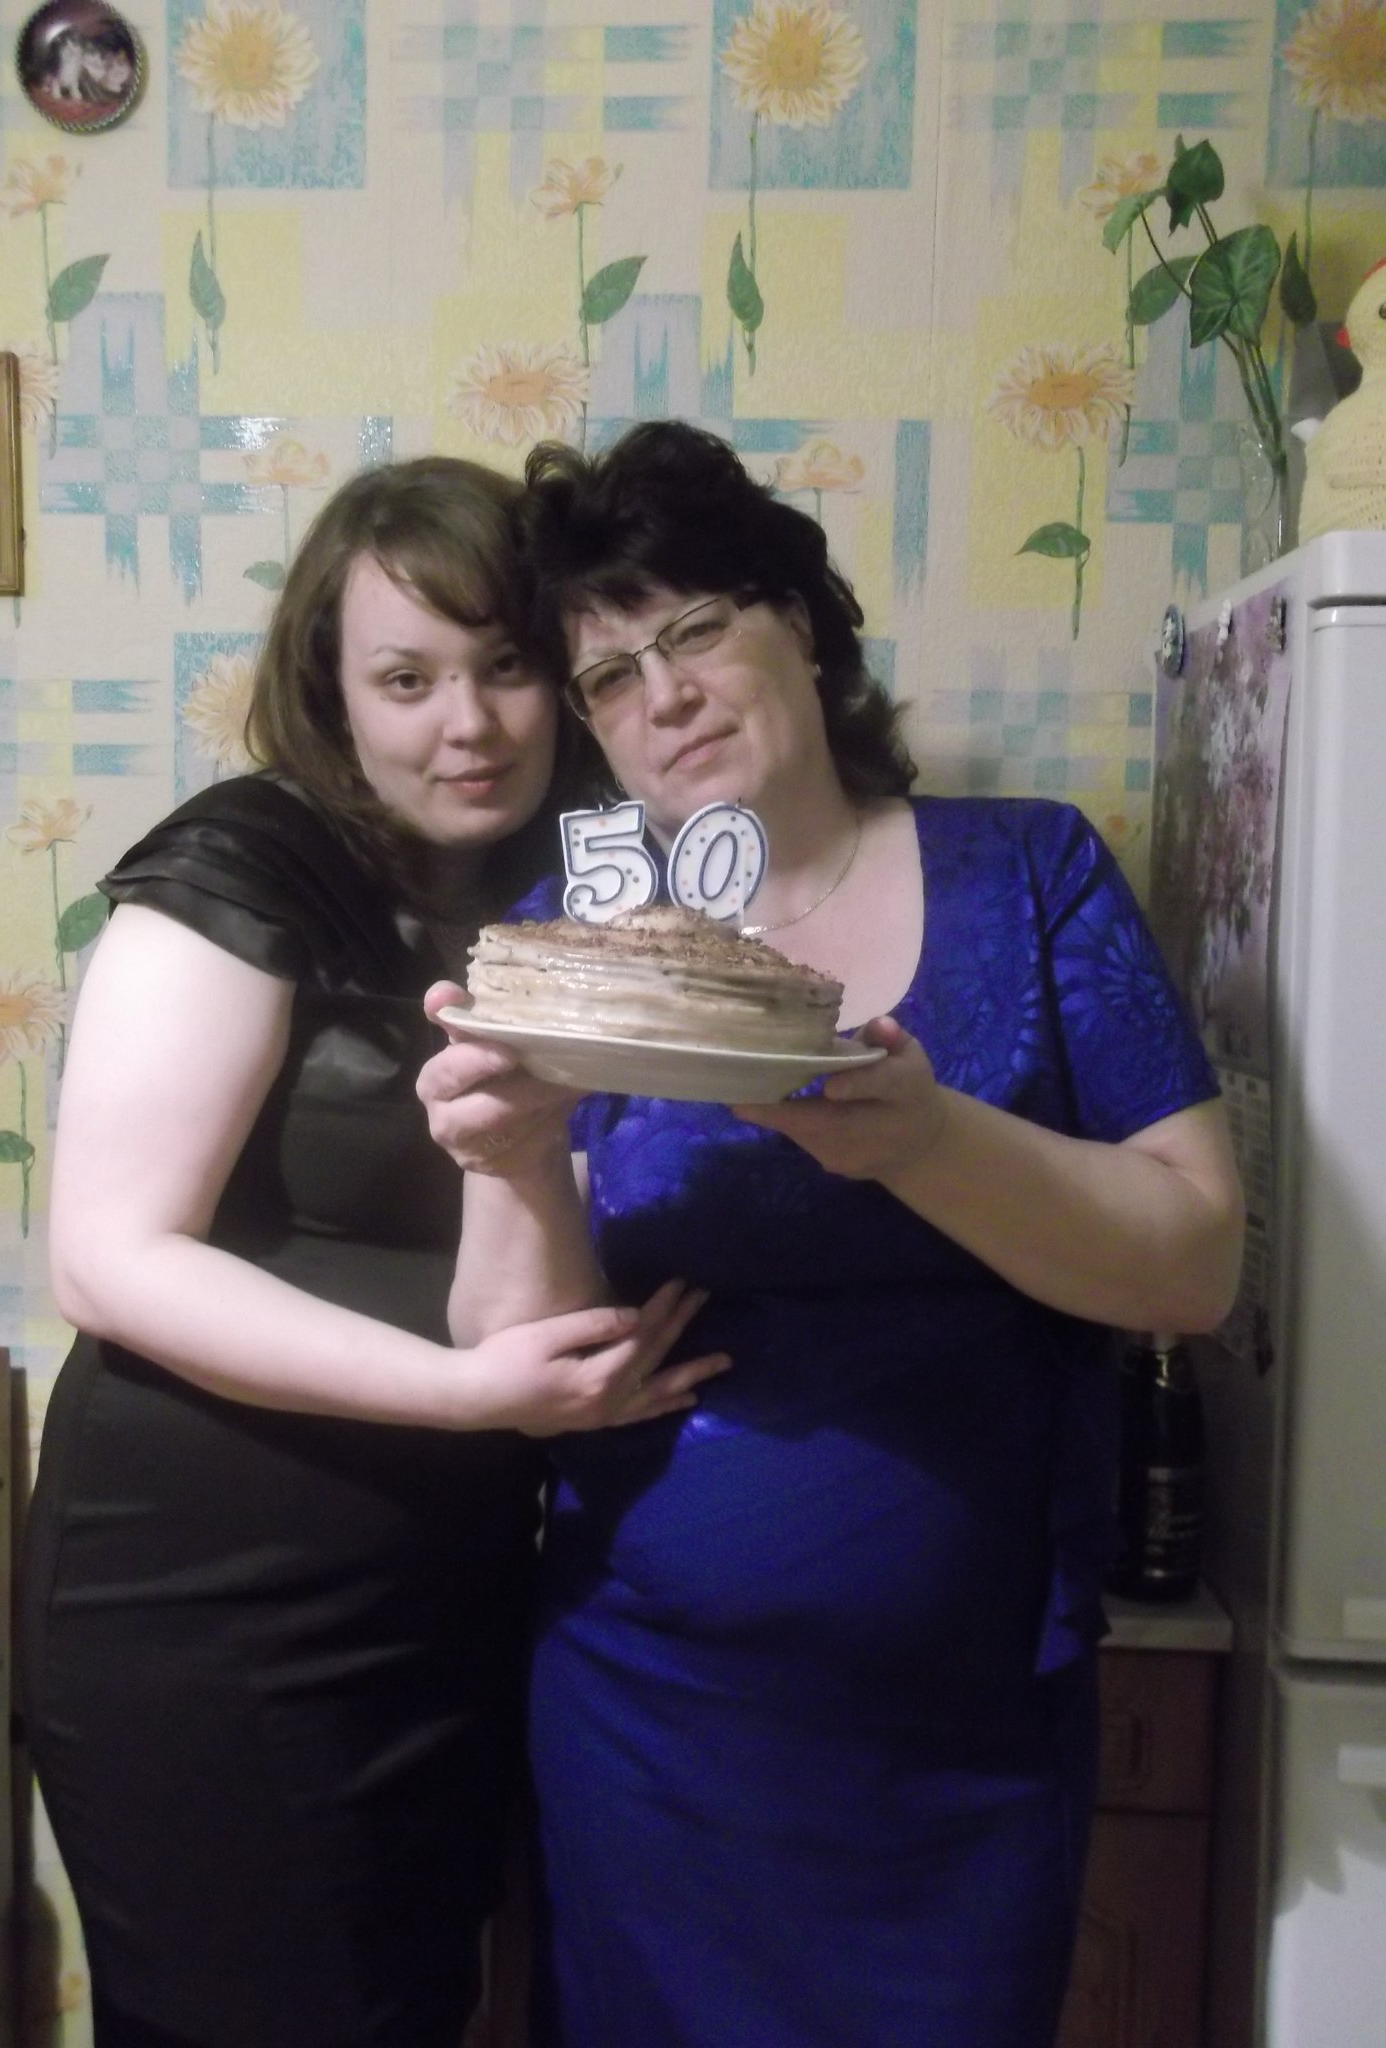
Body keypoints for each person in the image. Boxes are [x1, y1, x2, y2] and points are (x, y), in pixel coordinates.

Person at [416, 421, 1244, 2048]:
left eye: (697, 628)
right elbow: (509, 1354)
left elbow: (1196, 1264)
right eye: (609, 677)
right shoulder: (571, 949)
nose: (664, 695)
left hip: (965, 1737)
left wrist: (928, 1142)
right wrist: (509, 1158)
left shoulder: (1032, 875)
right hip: (649, 1721)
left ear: (799, 620)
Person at [19, 455, 729, 2048]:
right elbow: (109, 1260)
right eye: (407, 680)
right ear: (333, 694)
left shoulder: (582, 892)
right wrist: (469, 1397)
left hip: (450, 1589)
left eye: (506, 665)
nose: (468, 725)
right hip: (206, 1603)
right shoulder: (244, 867)